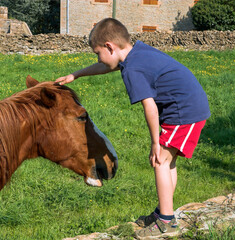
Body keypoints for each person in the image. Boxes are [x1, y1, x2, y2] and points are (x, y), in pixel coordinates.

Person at [55, 18, 210, 239]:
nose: (97, 57)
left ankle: (166, 223)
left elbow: (150, 107)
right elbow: (107, 65)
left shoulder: (133, 70)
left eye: (97, 52)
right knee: (168, 161)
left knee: (160, 160)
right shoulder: (136, 52)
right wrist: (76, 74)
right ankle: (163, 214)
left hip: (184, 110)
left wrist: (155, 143)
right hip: (189, 104)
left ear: (110, 46)